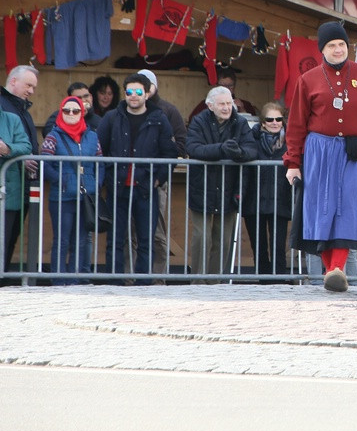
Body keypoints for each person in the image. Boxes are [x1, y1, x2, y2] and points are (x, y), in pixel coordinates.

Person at [284, 21, 357, 293]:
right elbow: (296, 124)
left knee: (349, 207)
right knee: (321, 208)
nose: (338, 50)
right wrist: (292, 162)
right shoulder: (308, 79)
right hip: (319, 150)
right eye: (332, 45)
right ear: (323, 50)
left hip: (354, 152)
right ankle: (332, 271)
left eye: (342, 45)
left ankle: (336, 269)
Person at [97, 73, 177, 280]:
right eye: (129, 92)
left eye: (138, 92)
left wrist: (158, 179)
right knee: (115, 239)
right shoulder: (112, 117)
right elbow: (99, 151)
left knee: (145, 240)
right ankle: (112, 282)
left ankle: (144, 283)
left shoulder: (159, 119)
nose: (133, 96)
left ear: (147, 94)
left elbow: (170, 153)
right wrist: (107, 178)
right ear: (125, 94)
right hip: (118, 187)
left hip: (145, 188)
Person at [186, 86, 258, 280]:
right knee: (202, 236)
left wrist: (239, 153)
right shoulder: (199, 121)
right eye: (222, 104)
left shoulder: (240, 123)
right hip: (202, 186)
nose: (227, 108)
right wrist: (221, 149)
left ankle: (214, 280)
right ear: (210, 105)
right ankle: (198, 280)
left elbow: (252, 149)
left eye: (229, 103)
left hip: (229, 187)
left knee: (223, 238)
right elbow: (193, 148)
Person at [41, 96, 102, 283]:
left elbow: (101, 163)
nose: (71, 114)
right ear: (61, 112)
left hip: (86, 196)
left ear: (82, 113)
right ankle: (59, 280)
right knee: (62, 240)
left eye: (75, 111)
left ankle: (74, 281)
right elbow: (45, 161)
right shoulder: (53, 136)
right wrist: (60, 180)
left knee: (81, 240)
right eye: (66, 110)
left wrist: (96, 183)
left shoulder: (92, 136)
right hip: (62, 196)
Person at [139, 69, 188, 282]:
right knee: (131, 233)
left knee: (157, 230)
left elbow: (182, 143)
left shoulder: (168, 110)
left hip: (158, 179)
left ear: (154, 87)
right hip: (132, 179)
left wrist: (160, 166)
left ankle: (158, 278)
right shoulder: (126, 110)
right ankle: (131, 277)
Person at [243, 103, 293, 275]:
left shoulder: (290, 143)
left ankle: (278, 280)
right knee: (258, 246)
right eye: (270, 119)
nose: (274, 122)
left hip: (281, 199)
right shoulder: (251, 140)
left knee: (278, 246)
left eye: (278, 119)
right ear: (262, 122)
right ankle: (263, 281)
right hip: (254, 199)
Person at [1, 65, 39, 273]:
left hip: (19, 186)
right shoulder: (4, 106)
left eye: (34, 87)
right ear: (13, 81)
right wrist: (18, 156)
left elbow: (25, 145)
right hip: (7, 184)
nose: (31, 91)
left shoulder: (21, 110)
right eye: (28, 85)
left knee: (10, 237)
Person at [0, 106, 33, 276]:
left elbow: (26, 146)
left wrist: (7, 148)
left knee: (3, 240)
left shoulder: (11, 119)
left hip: (7, 191)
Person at [188, 67, 258, 122]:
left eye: (230, 86)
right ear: (216, 86)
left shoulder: (245, 105)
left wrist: (243, 110)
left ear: (234, 86)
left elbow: (253, 126)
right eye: (223, 86)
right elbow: (193, 121)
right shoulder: (206, 104)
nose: (226, 89)